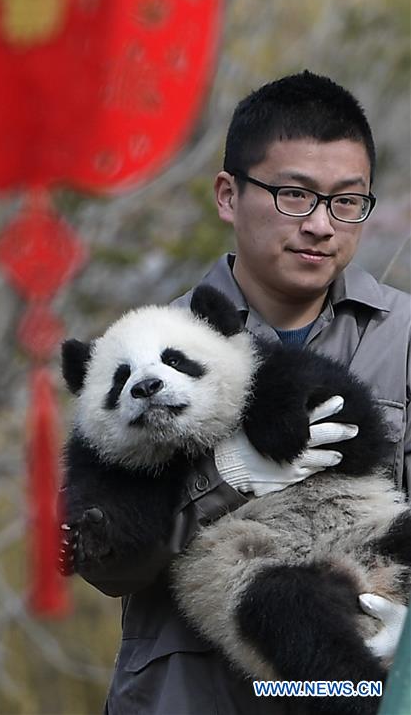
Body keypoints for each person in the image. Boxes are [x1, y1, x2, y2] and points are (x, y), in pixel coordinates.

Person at [68, 71, 411, 715]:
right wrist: (223, 480)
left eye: (347, 201)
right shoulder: (136, 347)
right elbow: (110, 566)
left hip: (371, 626)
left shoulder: (406, 334)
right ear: (229, 195)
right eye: (294, 195)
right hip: (191, 693)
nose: (321, 225)